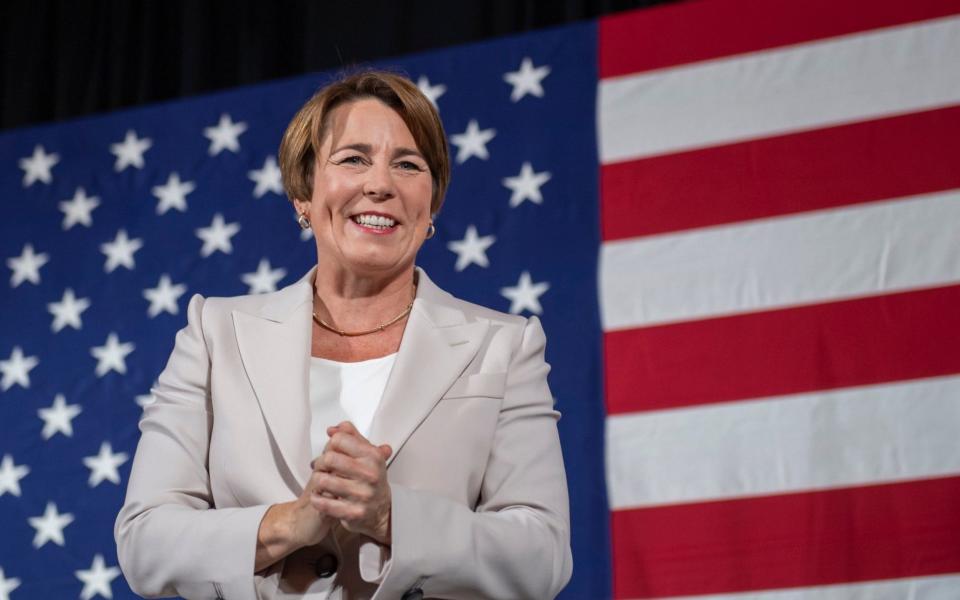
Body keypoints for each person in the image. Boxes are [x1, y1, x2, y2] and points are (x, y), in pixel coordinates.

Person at [115, 70, 572, 600]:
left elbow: (543, 557)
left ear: (431, 206)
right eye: (353, 158)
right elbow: (144, 542)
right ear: (303, 194)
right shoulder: (216, 333)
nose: (380, 184)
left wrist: (391, 517)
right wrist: (290, 522)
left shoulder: (504, 344)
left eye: (407, 164)